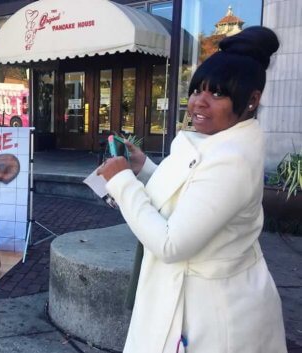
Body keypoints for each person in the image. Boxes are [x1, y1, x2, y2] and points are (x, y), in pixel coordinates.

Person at [97, 26, 286, 353]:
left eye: (218, 94)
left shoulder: (233, 161)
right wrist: (144, 169)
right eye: (198, 89)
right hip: (195, 297)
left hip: (211, 316)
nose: (199, 102)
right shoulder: (215, 143)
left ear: (252, 100)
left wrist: (122, 182)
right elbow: (193, 198)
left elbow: (171, 243)